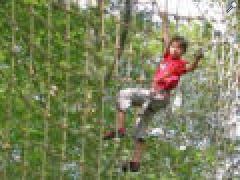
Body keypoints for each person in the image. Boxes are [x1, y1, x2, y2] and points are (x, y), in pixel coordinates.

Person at [103, 12, 204, 172]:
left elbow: (190, 67)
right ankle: (135, 162)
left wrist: (197, 59)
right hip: (155, 101)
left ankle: (120, 129)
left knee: (124, 93)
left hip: (160, 95)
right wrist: (164, 20)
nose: (175, 49)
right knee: (140, 126)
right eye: (173, 46)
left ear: (183, 52)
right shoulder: (166, 57)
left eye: (179, 48)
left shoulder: (179, 63)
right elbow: (166, 38)